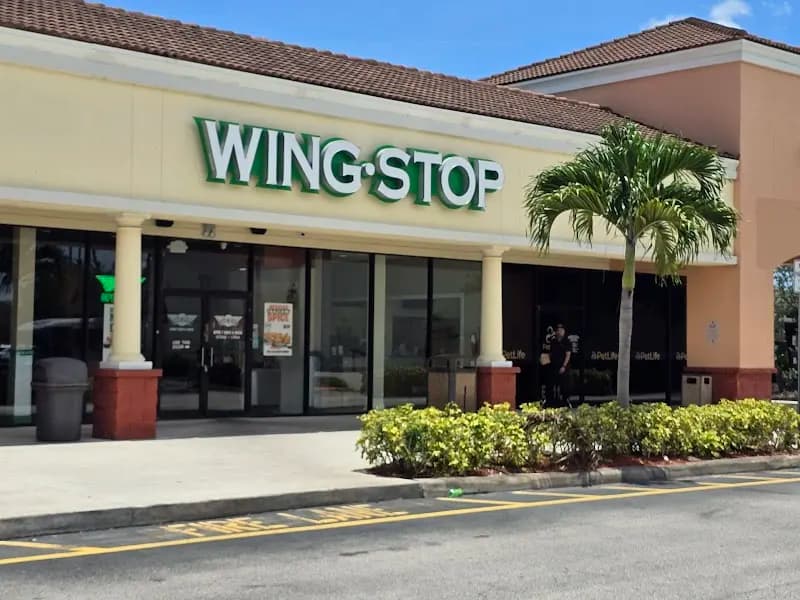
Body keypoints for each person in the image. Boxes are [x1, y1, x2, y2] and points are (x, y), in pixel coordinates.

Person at [546, 323, 572, 407]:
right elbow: (551, 353)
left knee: (564, 385)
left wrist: (564, 366)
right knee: (552, 384)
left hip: (563, 366)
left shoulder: (567, 341)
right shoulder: (553, 341)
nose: (559, 332)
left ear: (564, 332)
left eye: (561, 330)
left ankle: (565, 401)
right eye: (558, 330)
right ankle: (551, 401)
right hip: (554, 366)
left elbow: (568, 355)